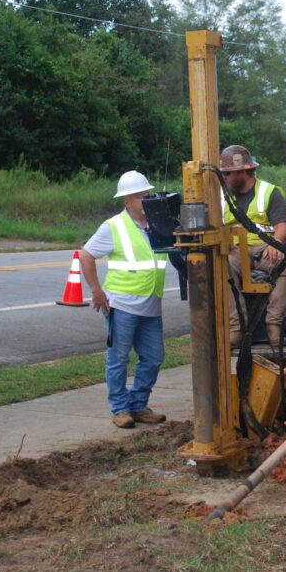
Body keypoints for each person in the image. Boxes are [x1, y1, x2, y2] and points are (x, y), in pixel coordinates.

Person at [80, 171, 170, 429]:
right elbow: (86, 255)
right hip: (121, 305)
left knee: (153, 357)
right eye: (140, 196)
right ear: (126, 201)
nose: (145, 199)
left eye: (146, 194)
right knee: (119, 358)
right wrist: (97, 291)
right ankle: (120, 408)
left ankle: (139, 405)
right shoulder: (113, 226)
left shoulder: (157, 225)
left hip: (152, 304)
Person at [219, 144, 286, 349]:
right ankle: (236, 329)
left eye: (227, 173)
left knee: (285, 260)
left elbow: (282, 225)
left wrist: (277, 244)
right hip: (236, 251)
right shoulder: (221, 197)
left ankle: (274, 323)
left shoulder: (270, 192)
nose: (224, 177)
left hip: (264, 249)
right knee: (220, 267)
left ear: (243, 171)